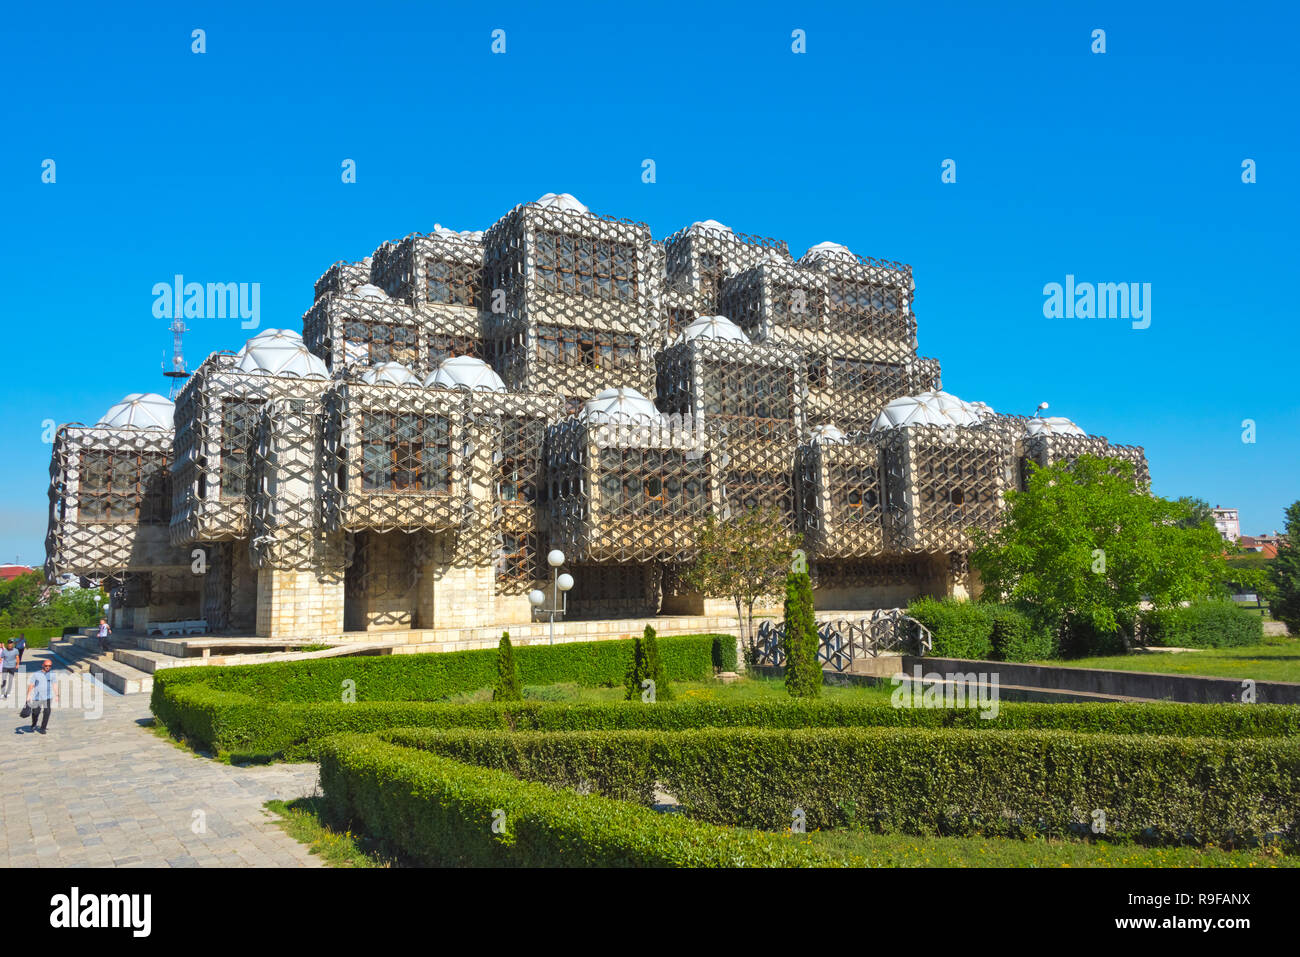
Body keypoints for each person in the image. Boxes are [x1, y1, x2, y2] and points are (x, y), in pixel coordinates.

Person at [26, 659, 56, 734]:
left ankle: (43, 728)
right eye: (46, 666)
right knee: (35, 712)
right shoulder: (36, 674)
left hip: (48, 697)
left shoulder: (52, 674)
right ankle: (34, 724)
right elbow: (31, 685)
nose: (48, 667)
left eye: (49, 666)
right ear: (43, 665)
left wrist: (57, 694)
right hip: (38, 697)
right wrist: (28, 695)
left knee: (47, 712)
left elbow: (54, 684)